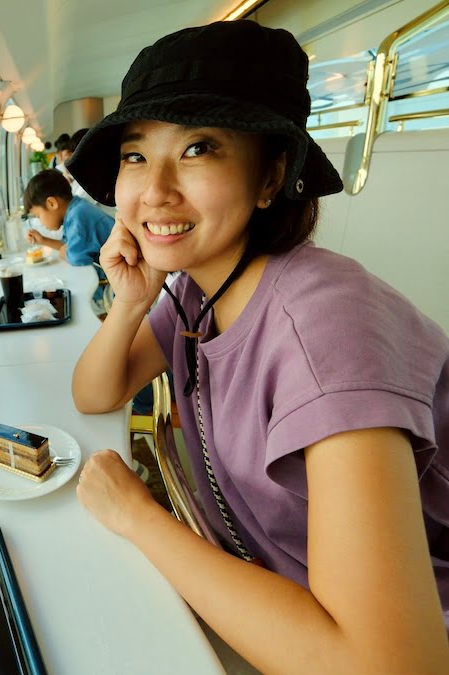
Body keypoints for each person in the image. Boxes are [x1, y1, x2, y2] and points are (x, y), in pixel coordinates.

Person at [68, 20, 449, 673]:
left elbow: (392, 664)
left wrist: (138, 516)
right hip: (273, 606)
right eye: (136, 154)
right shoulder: (198, 289)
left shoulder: (326, 333)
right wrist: (133, 299)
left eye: (199, 148)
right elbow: (95, 390)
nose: (154, 189)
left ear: (270, 177)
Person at [23, 169, 113, 267]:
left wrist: (64, 252)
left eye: (38, 216)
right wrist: (43, 240)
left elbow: (76, 258)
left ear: (51, 203)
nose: (41, 222)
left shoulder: (78, 215)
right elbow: (68, 246)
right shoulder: (75, 208)